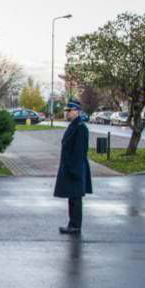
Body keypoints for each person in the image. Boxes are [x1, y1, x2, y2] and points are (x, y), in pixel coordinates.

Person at [54, 98, 93, 234]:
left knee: (76, 198)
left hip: (75, 168)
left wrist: (73, 169)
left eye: (69, 111)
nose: (67, 113)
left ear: (76, 111)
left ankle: (75, 226)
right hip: (71, 167)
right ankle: (72, 224)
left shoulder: (81, 128)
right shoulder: (74, 125)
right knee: (72, 197)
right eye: (67, 111)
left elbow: (80, 151)